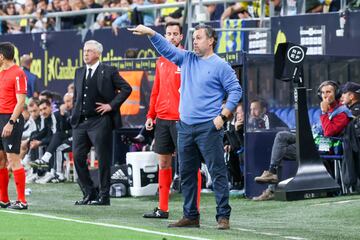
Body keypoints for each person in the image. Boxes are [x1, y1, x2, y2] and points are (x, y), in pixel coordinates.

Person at [129, 24, 242, 230]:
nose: (195, 42)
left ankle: (223, 217)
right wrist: (152, 34)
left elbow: (235, 90)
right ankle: (190, 216)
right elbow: (166, 49)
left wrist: (223, 117)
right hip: (185, 127)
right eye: (194, 38)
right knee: (188, 174)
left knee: (217, 172)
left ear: (211, 41)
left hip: (209, 127)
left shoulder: (221, 65)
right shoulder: (187, 58)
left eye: (199, 38)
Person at [253, 80, 352, 201]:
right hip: (314, 142)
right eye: (323, 93)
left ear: (336, 94)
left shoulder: (342, 112)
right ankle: (272, 175)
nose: (325, 95)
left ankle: (271, 187)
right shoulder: (328, 109)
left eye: (329, 92)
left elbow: (328, 132)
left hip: (325, 147)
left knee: (280, 150)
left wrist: (324, 112)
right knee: (281, 138)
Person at [142, 22, 201, 219]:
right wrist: (151, 115)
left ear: (181, 37)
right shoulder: (160, 61)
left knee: (189, 165)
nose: (172, 37)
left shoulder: (187, 59)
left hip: (182, 120)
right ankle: (163, 209)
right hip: (163, 119)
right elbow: (156, 91)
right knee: (164, 163)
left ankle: (194, 210)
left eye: (175, 34)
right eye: (168, 34)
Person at [71, 40, 132, 206]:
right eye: (84, 51)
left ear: (98, 54)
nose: (86, 54)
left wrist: (111, 105)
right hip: (80, 122)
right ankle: (89, 192)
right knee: (77, 157)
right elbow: (77, 96)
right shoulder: (78, 72)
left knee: (103, 159)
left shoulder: (109, 70)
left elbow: (127, 88)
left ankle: (104, 196)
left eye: (89, 51)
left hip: (100, 121)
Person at [0, 42, 28, 210]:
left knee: (12, 158)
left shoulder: (18, 73)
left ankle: (22, 201)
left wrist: (11, 122)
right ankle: (3, 199)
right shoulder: (1, 72)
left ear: (2, 56)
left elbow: (21, 102)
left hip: (11, 119)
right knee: (1, 159)